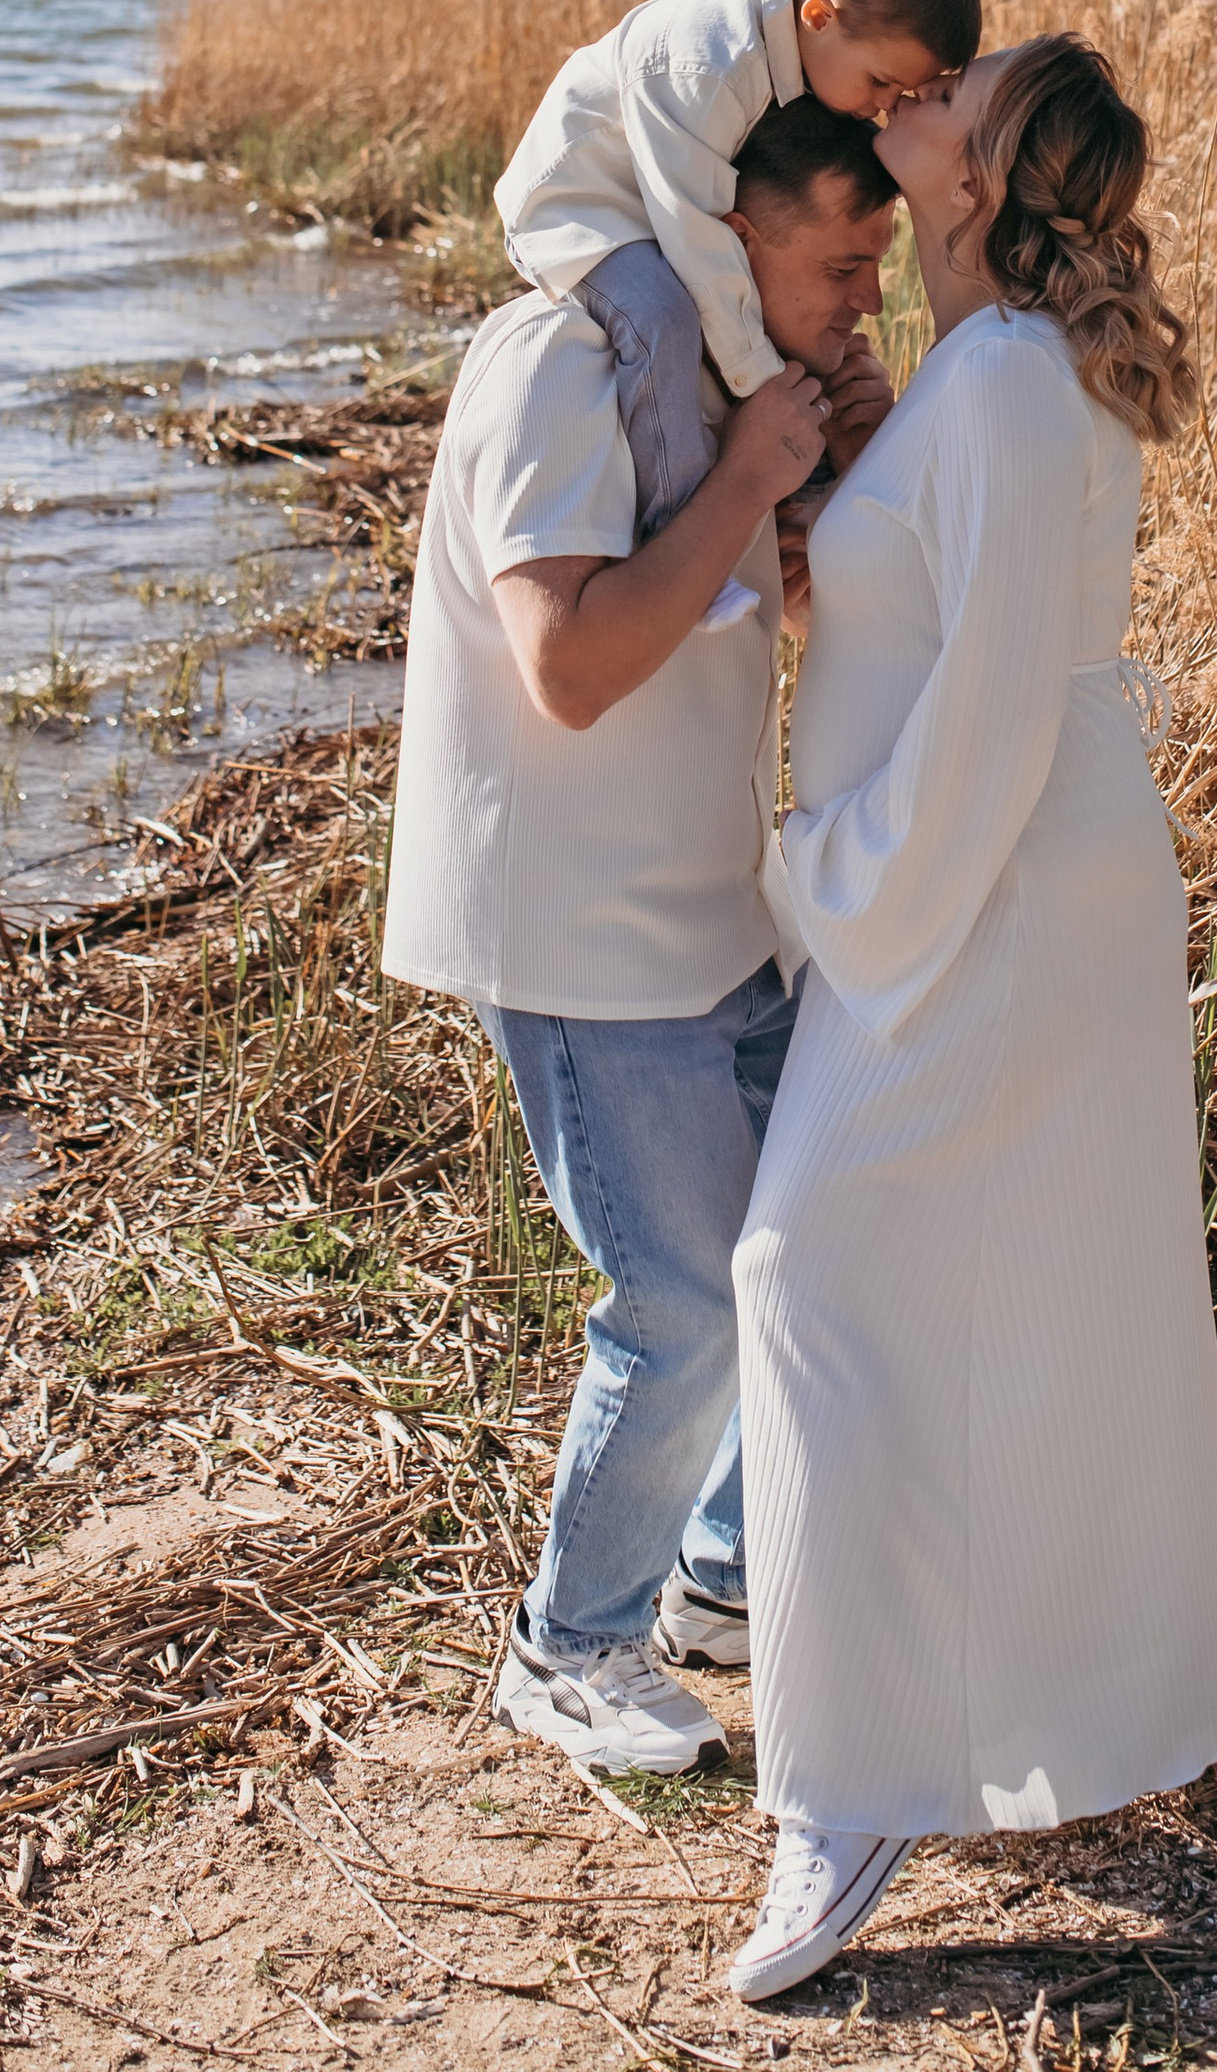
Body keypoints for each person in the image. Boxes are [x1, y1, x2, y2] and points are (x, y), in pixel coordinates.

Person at [726, 36, 1217, 2003]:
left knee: (805, 1269)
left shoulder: (1019, 385)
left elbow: (997, 713)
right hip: (994, 881)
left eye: (953, 95)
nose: (915, 94)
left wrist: (829, 875)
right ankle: (1067, 1691)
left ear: (976, 178)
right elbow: (940, 630)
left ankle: (852, 1782)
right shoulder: (978, 372)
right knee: (1028, 1291)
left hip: (996, 891)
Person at [382, 98, 901, 1773]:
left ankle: (724, 1582)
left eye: (881, 263)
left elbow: (764, 610)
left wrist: (839, 476)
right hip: (579, 928)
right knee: (681, 1299)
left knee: (803, 1247)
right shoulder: (562, 363)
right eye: (842, 265)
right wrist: (753, 473)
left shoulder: (731, 381)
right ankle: (569, 1647)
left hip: (711, 909)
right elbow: (574, 664)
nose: (866, 298)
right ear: (738, 238)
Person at [493, 0, 978, 621]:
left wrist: (850, 456)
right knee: (664, 315)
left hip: (643, 206)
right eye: (880, 83)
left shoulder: (797, 57)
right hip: (577, 210)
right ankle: (682, 529)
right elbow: (696, 237)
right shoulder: (706, 69)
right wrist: (761, 384)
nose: (882, 109)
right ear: (818, 16)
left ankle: (790, 496)